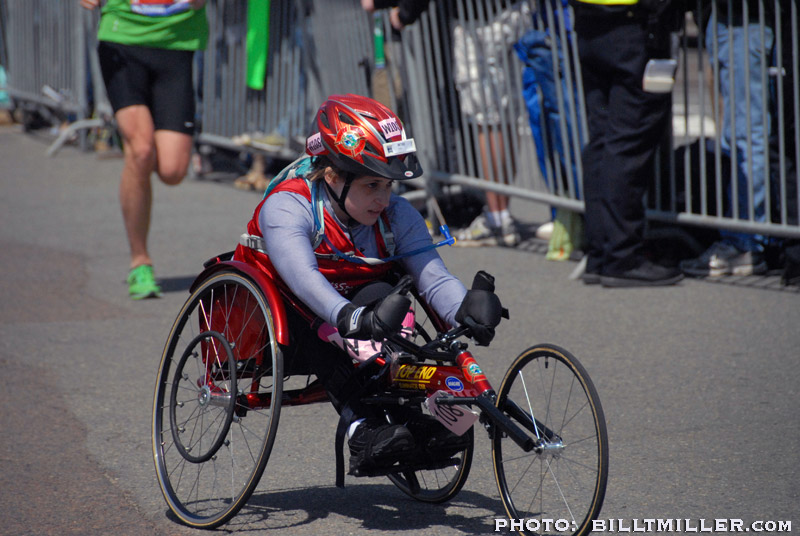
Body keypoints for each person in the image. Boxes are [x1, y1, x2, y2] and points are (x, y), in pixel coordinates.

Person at [234, 94, 503, 474]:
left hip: (353, 311)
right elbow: (304, 280)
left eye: (388, 185)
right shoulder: (287, 206)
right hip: (279, 322)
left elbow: (433, 278)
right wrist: (349, 317)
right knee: (320, 323)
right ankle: (362, 428)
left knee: (389, 298)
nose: (383, 198)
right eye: (371, 185)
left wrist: (465, 309)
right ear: (332, 176)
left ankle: (409, 422)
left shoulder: (397, 214)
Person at [361, 0, 523, 247]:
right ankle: (500, 214)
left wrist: (406, 13)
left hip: (480, 20)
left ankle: (497, 216)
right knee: (504, 114)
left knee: (489, 117)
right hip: (508, 12)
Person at [80, 0, 208, 299]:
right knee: (141, 151)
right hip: (122, 36)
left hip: (177, 39)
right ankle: (140, 262)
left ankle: (138, 145)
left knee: (173, 170)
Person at [571, 0, 684, 287]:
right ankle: (622, 256)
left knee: (602, 140)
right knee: (626, 141)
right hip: (633, 27)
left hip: (591, 22)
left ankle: (601, 254)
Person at [680, 0, 773, 278]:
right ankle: (741, 237)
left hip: (746, 18)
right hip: (722, 16)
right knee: (733, 136)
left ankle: (747, 242)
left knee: (746, 135)